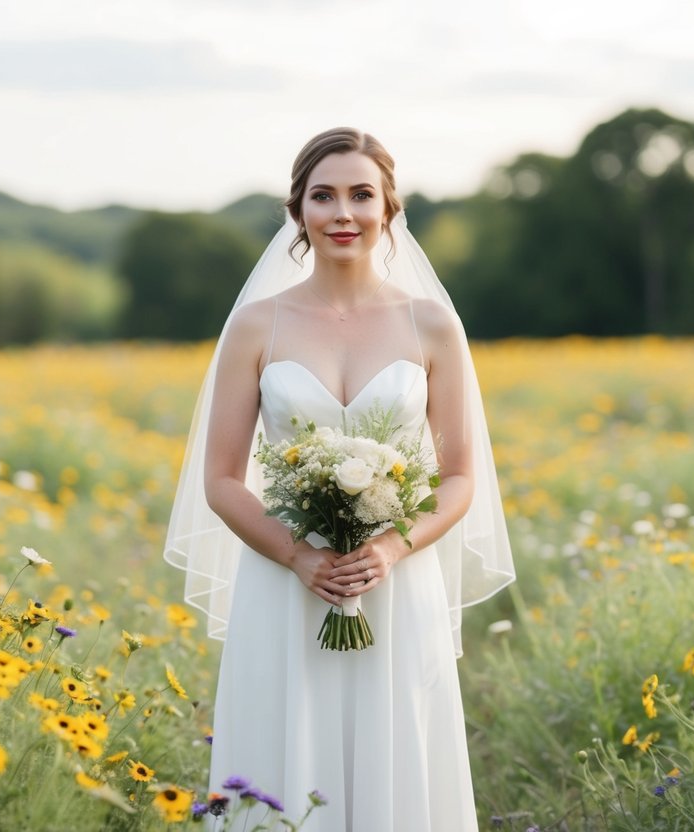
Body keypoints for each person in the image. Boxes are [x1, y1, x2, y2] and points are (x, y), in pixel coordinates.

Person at [165, 127, 515, 831]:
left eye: (361, 194)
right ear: (297, 212)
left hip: (394, 580)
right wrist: (299, 556)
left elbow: (459, 478)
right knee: (285, 758)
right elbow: (223, 480)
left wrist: (389, 548)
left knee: (396, 758)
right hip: (285, 582)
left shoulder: (431, 326)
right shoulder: (256, 326)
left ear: (389, 208)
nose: (342, 213)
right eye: (322, 196)